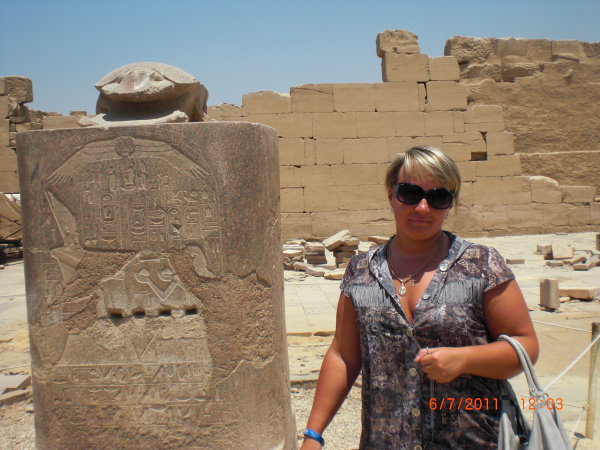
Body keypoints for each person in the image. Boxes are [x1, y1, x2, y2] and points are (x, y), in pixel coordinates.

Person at [300, 146, 539, 449]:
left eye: (438, 197)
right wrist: (313, 434)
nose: (423, 208)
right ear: (392, 196)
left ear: (450, 204)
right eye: (410, 194)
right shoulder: (361, 271)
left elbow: (525, 346)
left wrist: (464, 360)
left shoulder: (482, 266)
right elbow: (343, 356)